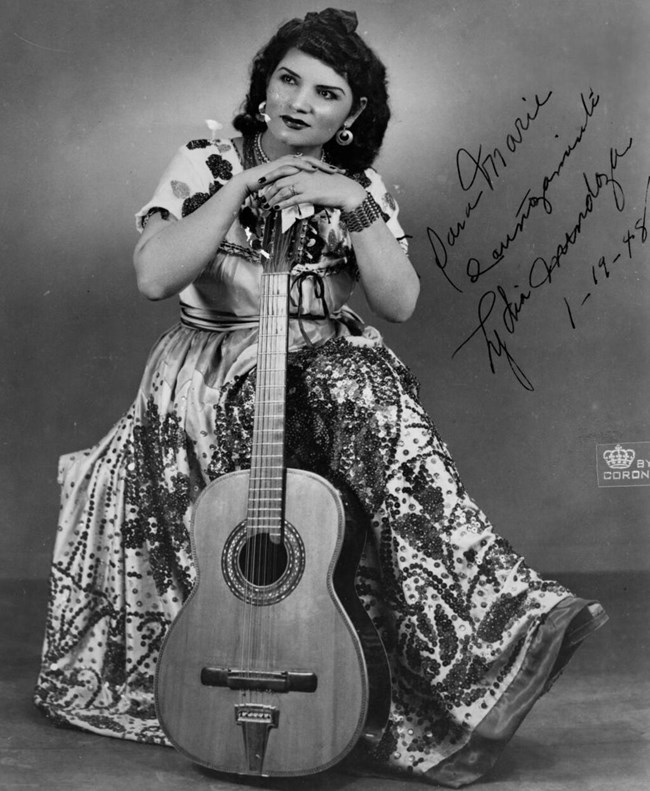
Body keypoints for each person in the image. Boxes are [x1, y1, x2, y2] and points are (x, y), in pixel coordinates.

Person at [35, 8, 607, 787]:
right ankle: (492, 619)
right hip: (214, 375)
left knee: (359, 380)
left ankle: (469, 653)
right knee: (350, 392)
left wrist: (351, 203)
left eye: (327, 92)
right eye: (288, 79)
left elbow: (398, 302)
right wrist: (241, 187)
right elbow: (154, 276)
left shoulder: (358, 188)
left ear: (354, 113)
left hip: (322, 374)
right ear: (264, 83)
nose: (300, 102)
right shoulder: (208, 158)